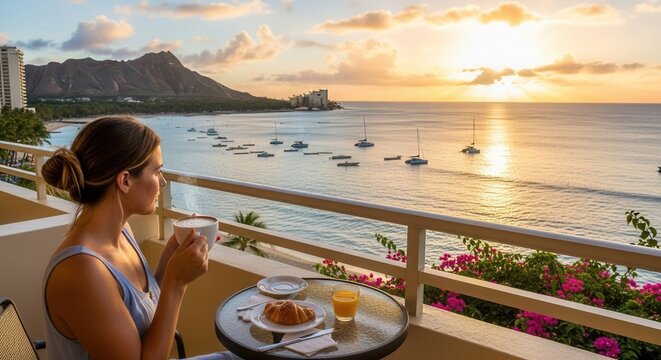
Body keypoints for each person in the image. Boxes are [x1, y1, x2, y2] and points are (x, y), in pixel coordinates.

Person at [42, 116, 239, 359]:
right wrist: (176, 284)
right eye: (157, 171)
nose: (163, 182)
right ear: (125, 181)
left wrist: (171, 254)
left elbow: (142, 311)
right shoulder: (82, 271)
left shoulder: (122, 232)